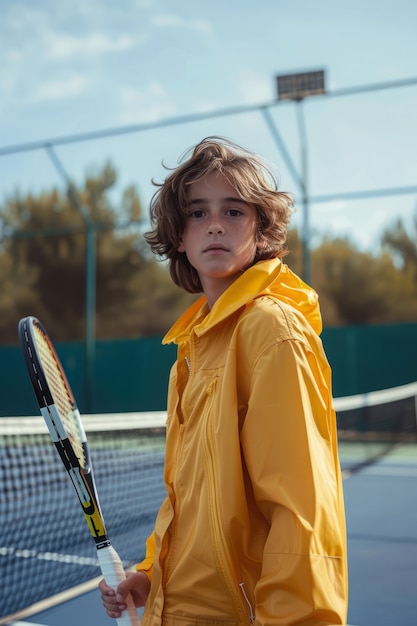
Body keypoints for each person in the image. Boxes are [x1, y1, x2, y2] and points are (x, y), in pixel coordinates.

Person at [99, 137, 348, 625]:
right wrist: (151, 574)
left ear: (262, 232)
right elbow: (189, 500)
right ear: (179, 237)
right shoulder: (191, 348)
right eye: (197, 213)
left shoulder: (274, 331)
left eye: (234, 211)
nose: (214, 223)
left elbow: (302, 514)